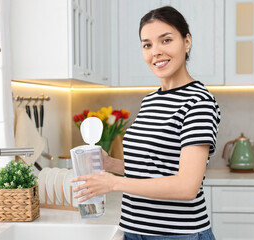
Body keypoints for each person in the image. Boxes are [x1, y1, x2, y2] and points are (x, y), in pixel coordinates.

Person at [72, 6, 221, 239]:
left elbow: (187, 186)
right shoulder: (150, 100)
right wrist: (111, 164)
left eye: (166, 40)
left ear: (187, 41)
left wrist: (113, 185)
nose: (156, 52)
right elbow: (153, 169)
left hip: (178, 234)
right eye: (147, 45)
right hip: (133, 230)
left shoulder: (199, 102)